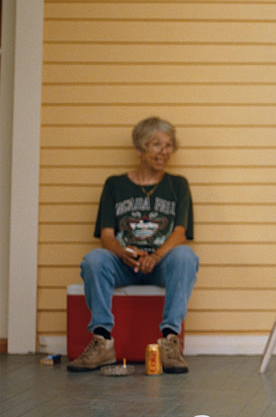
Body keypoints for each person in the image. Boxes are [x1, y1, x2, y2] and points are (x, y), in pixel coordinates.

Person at [68, 116, 198, 374]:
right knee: (94, 259)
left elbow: (180, 232)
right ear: (139, 149)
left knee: (185, 256)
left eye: (169, 145)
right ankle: (102, 340)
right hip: (123, 264)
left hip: (162, 264)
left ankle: (170, 341)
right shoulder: (115, 185)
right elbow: (106, 236)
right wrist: (123, 253)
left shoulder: (178, 185)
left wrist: (158, 255)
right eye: (157, 144)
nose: (165, 151)